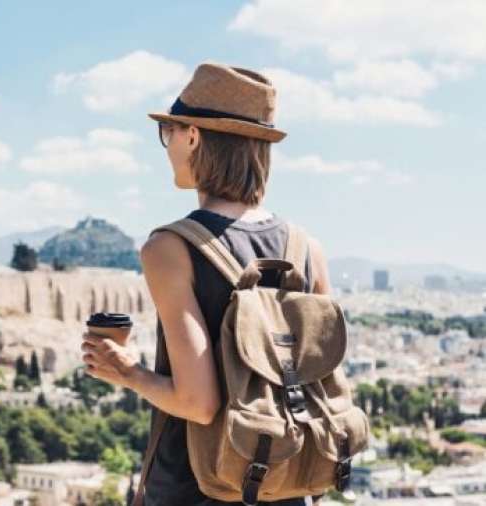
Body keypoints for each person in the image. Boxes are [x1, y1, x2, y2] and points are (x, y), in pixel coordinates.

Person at [80, 62, 330, 505]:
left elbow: (198, 403)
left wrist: (128, 372)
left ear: (193, 136)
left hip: (197, 489)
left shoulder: (170, 248)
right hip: (287, 486)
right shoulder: (306, 248)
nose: (168, 146)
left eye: (169, 132)